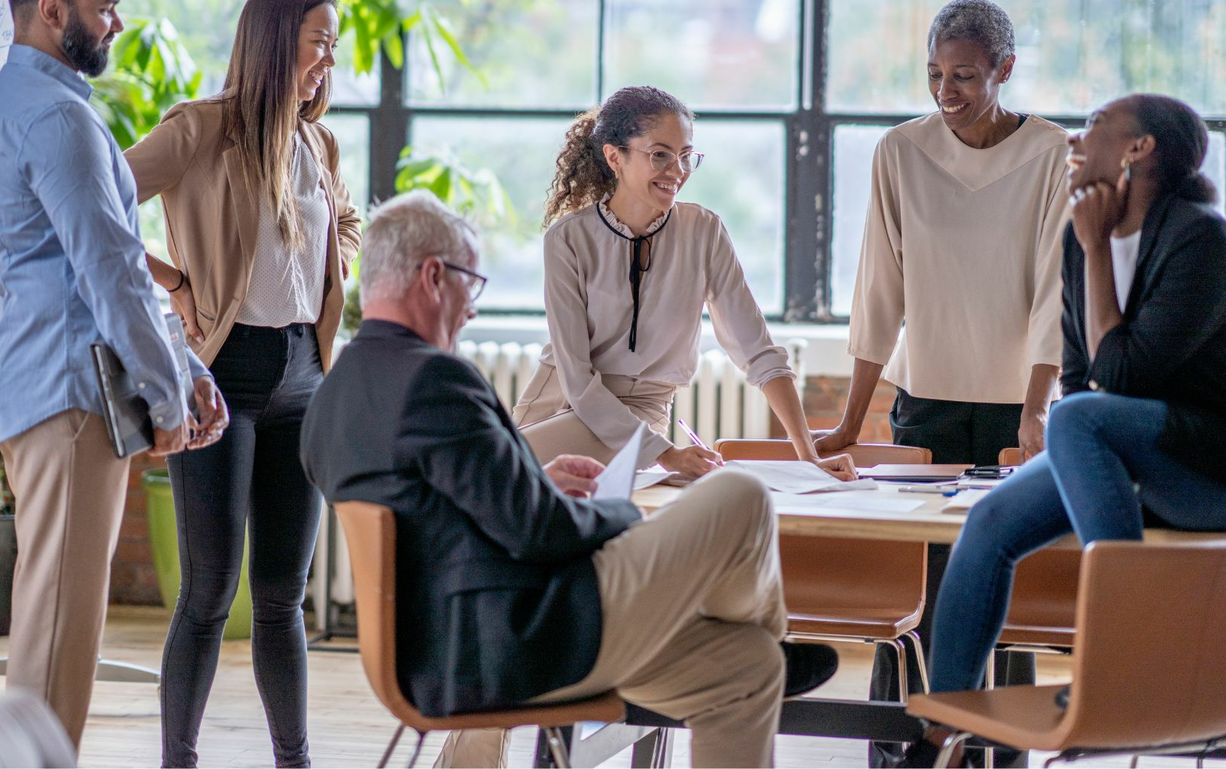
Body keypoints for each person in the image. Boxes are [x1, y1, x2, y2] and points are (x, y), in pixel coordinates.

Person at [301, 192, 840, 769]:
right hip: (525, 643)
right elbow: (541, 534)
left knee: (746, 666)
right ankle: (758, 627)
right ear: (434, 277)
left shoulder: (333, 394)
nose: (472, 309)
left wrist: (532, 479)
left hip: (434, 655)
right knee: (741, 495)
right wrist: (625, 511)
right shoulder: (437, 381)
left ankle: (765, 648)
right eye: (471, 285)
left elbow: (442, 512)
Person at [903, 94, 1226, 767]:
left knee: (1075, 415)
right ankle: (941, 735)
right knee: (990, 522)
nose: (1076, 135)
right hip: (1145, 458)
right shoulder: (1076, 236)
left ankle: (1121, 672)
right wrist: (1088, 244)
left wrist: (1098, 247)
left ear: (1138, 149)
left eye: (1096, 124)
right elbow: (1080, 369)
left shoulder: (1200, 237)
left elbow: (1119, 381)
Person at [0, 0, 228, 751]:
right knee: (55, 635)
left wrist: (184, 365)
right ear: (52, 10)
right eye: (103, 5)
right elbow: (112, 272)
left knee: (60, 626)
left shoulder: (37, 105)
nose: (115, 21)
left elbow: (110, 265)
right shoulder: (56, 119)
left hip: (54, 385)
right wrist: (168, 394)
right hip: (69, 396)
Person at [814, 0, 1070, 762]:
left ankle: (1000, 750)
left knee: (1003, 596)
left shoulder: (1053, 153)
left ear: (1005, 71)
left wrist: (1036, 409)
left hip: (1013, 413)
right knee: (925, 595)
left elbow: (1057, 289)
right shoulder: (900, 152)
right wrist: (853, 420)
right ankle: (905, 754)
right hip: (924, 404)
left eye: (963, 75)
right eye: (934, 74)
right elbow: (878, 293)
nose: (945, 90)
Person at [120, 0, 360, 768]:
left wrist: (334, 271)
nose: (330, 58)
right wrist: (178, 285)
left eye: (333, 44)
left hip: (305, 378)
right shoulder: (201, 129)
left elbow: (344, 224)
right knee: (208, 596)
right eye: (319, 40)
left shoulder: (318, 142)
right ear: (274, 40)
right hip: (223, 379)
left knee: (283, 599)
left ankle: (295, 760)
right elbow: (102, 196)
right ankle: (177, 761)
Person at [517, 85, 855, 482]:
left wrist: (807, 454)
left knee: (494, 481)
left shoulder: (704, 231)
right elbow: (577, 381)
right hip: (558, 402)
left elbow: (759, 353)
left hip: (638, 417)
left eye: (685, 156)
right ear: (614, 157)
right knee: (485, 485)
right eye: (659, 154)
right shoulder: (567, 239)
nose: (677, 171)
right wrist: (668, 455)